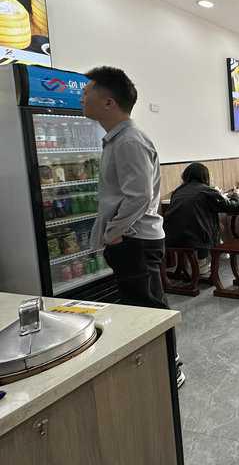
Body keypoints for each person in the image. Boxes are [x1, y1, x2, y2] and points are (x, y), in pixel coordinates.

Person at [82, 66, 185, 388]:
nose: (82, 97)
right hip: (132, 238)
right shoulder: (118, 139)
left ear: (109, 102)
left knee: (149, 309)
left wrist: (114, 233)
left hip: (135, 240)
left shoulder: (128, 141)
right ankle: (157, 365)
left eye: (87, 92)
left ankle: (169, 367)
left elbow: (138, 196)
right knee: (141, 305)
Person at [163, 163, 239, 276]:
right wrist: (236, 195)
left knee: (200, 222)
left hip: (170, 236)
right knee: (206, 225)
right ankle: (204, 264)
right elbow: (229, 206)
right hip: (197, 238)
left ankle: (201, 262)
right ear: (205, 176)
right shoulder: (207, 191)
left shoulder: (177, 191)